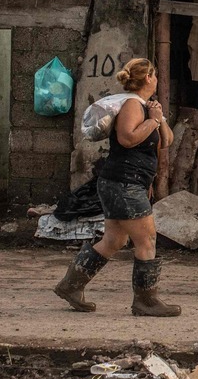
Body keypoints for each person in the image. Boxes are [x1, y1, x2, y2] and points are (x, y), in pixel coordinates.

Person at [53, 57, 180, 316]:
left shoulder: (146, 107)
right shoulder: (132, 105)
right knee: (147, 239)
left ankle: (71, 285)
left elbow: (166, 141)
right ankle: (146, 301)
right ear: (148, 78)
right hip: (124, 182)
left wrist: (158, 118)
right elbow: (127, 138)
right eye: (154, 75)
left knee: (114, 239)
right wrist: (152, 120)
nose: (156, 79)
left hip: (125, 182)